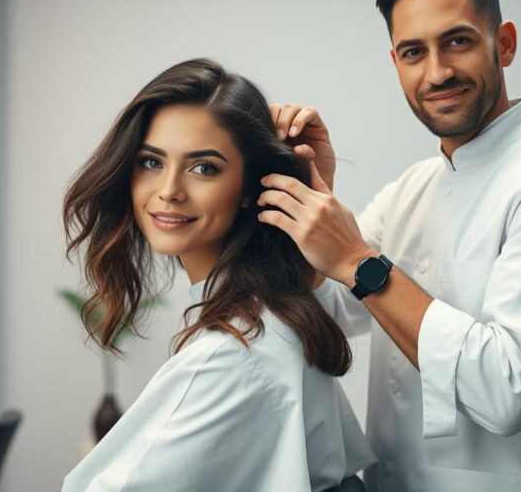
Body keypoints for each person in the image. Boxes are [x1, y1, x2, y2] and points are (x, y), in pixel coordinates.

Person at [258, 0, 521, 491]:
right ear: (396, 63)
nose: (437, 72)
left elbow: (506, 391)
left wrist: (360, 261)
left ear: (504, 43)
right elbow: (326, 311)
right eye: (414, 52)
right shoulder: (412, 188)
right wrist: (318, 192)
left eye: (457, 41)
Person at [60, 58, 375, 491]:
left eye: (204, 167)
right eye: (151, 161)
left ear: (249, 188)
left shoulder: (231, 354)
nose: (169, 190)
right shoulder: (275, 313)